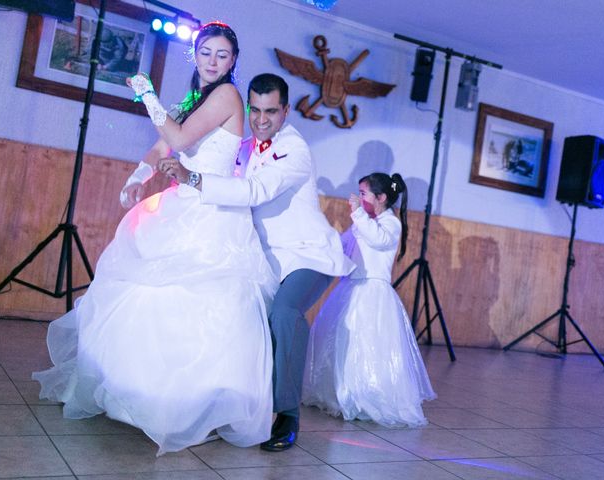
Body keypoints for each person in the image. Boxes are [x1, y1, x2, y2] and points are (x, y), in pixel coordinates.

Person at [33, 22, 277, 455]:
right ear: (195, 54)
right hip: (181, 201)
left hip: (211, 212)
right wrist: (138, 176)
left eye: (222, 55)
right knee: (143, 293)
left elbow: (180, 136)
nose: (213, 61)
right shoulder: (194, 96)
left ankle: (186, 404)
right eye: (206, 52)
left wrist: (146, 93)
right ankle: (134, 394)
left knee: (196, 304)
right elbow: (165, 144)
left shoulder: (227, 96)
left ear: (233, 61)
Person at [160, 73, 355, 451]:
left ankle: (288, 416)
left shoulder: (294, 150)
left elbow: (254, 191)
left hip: (308, 254)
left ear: (285, 111)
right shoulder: (247, 145)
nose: (261, 119)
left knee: (284, 313)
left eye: (271, 112)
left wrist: (193, 177)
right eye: (255, 110)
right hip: (264, 258)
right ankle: (227, 405)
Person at [302, 172, 436, 427]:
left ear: (381, 198)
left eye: (363, 194)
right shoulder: (363, 222)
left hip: (372, 293)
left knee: (366, 344)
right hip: (350, 288)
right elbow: (344, 245)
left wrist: (358, 214)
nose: (358, 198)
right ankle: (337, 391)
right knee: (341, 342)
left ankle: (364, 395)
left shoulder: (389, 224)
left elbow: (379, 239)